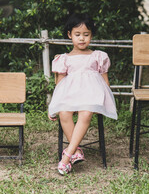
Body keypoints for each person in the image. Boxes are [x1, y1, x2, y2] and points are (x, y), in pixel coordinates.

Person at [48, 13, 118, 175]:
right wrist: (53, 105)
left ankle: (67, 156)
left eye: (86, 35)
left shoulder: (98, 56)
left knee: (85, 113)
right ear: (69, 35)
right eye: (77, 34)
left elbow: (105, 82)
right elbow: (59, 85)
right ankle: (77, 151)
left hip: (91, 96)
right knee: (64, 113)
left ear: (91, 35)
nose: (81, 39)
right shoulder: (64, 59)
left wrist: (105, 100)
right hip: (71, 96)